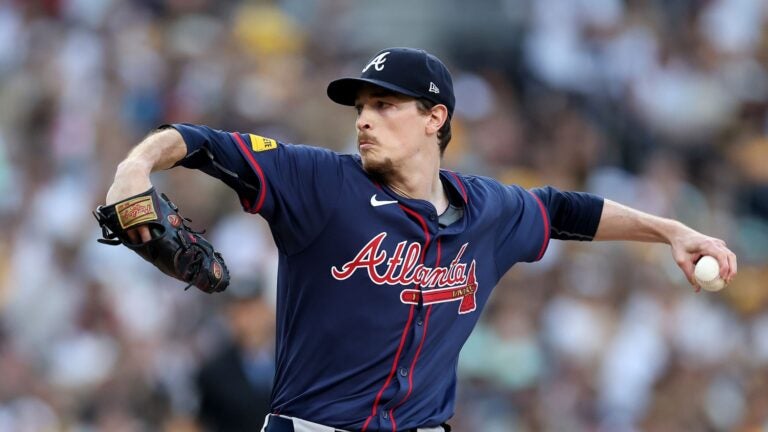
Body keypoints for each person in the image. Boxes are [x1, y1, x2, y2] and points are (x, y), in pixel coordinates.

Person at [104, 47, 737, 432]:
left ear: (436, 118)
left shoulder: (488, 209)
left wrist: (671, 230)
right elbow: (199, 141)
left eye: (385, 105)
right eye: (360, 108)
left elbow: (567, 210)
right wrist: (136, 168)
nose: (364, 119)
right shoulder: (319, 181)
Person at [196, 280, 276, 431]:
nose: (249, 320)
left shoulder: (295, 363)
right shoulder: (213, 374)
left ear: (268, 310)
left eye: (254, 309)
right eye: (240, 311)